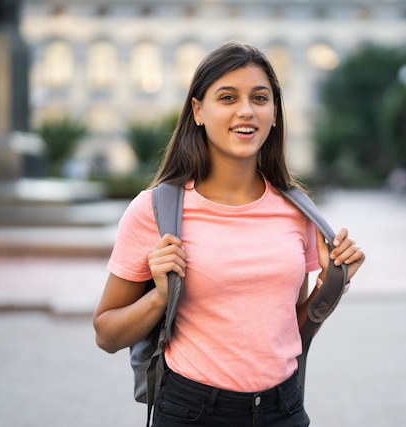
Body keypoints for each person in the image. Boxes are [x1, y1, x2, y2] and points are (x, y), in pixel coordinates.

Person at [93, 40, 365, 427]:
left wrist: (332, 281)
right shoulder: (154, 210)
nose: (246, 111)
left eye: (260, 98)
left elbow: (292, 327)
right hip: (193, 412)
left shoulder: (296, 209)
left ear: (274, 113)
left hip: (283, 409)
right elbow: (106, 334)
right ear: (198, 110)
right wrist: (159, 298)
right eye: (227, 97)